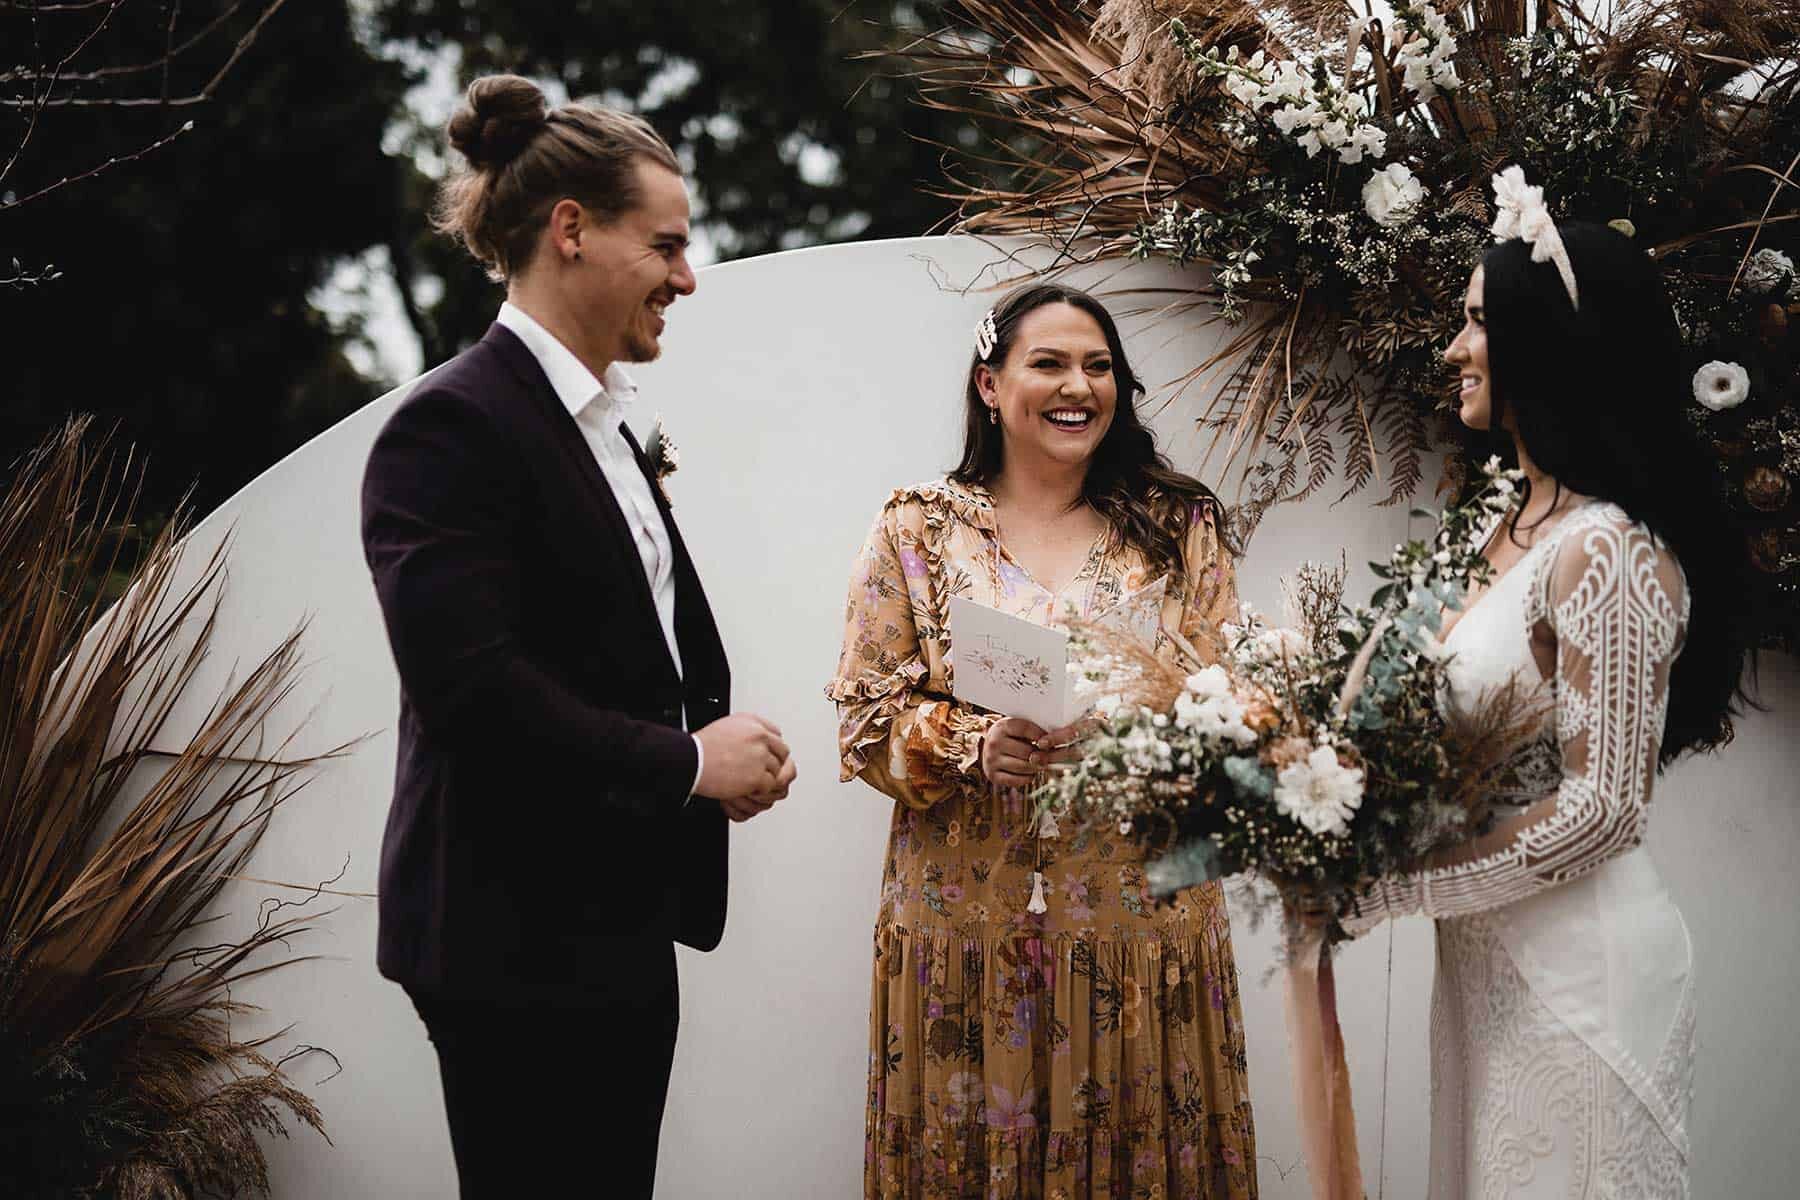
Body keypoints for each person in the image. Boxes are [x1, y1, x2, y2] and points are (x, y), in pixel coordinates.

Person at [359, 74, 795, 1198]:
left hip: (617, 912)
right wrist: (693, 764)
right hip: (513, 935)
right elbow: (476, 691)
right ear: (570, 232)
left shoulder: (601, 421)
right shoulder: (451, 425)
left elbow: (625, 639)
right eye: (666, 245)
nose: (687, 277)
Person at [1344, 198, 1754, 1196]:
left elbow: (1603, 812)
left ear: (1552, 339)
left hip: (1582, 976)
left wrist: (1394, 886)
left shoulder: (1605, 547)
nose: (1454, 347)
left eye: (1479, 319)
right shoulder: (1497, 527)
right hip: (1484, 969)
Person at [828, 283, 1258, 1198]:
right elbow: (863, 721)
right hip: (967, 935)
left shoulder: (1180, 527)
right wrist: (967, 743)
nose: (1079, 386)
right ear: (990, 385)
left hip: (1141, 928)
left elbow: (1236, 706)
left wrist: (1143, 725)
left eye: (1099, 366)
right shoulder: (919, 529)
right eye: (1050, 363)